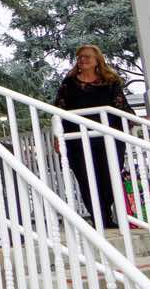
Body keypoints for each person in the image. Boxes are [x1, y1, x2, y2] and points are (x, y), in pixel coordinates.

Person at [53, 44, 132, 228]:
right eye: (80, 57)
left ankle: (105, 214)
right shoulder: (69, 83)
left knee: (109, 177)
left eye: (87, 56)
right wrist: (57, 137)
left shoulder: (110, 82)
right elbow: (58, 110)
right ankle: (101, 220)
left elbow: (121, 106)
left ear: (97, 60)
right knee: (86, 179)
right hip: (77, 140)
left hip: (108, 139)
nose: (82, 60)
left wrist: (135, 122)